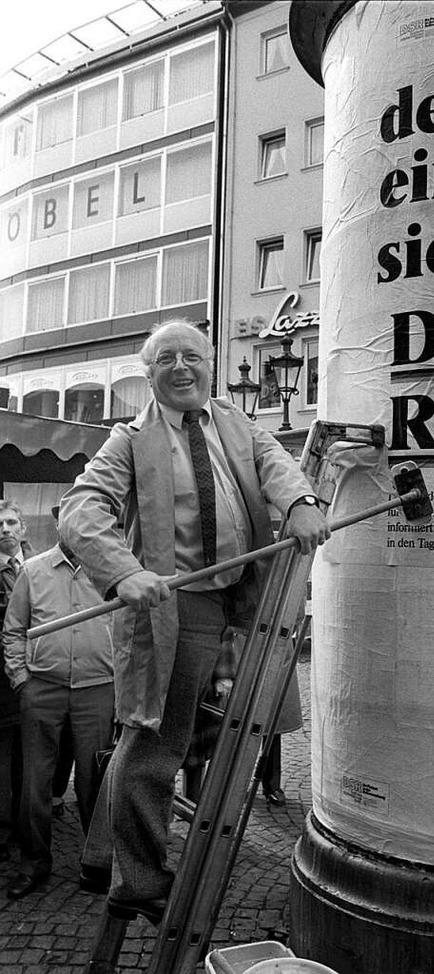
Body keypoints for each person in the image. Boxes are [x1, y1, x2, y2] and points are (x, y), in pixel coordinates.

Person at [58, 319, 330, 925]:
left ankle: (101, 856)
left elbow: (276, 464)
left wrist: (303, 501)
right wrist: (121, 571)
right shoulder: (128, 440)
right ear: (148, 375)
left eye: (192, 356)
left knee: (178, 735)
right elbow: (79, 508)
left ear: (210, 363)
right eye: (166, 360)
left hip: (243, 596)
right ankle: (140, 880)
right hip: (180, 605)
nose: (182, 368)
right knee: (156, 741)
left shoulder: (236, 422)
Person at [3, 511, 115, 898]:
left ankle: (99, 863)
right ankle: (33, 863)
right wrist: (21, 680)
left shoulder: (111, 569)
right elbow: (13, 629)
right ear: (58, 527)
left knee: (95, 780)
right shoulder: (32, 571)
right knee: (35, 781)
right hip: (42, 689)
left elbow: (134, 625)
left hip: (98, 690)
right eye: (69, 521)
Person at [0, 501, 33, 862]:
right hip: (2, 682)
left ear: (23, 529)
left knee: (32, 756)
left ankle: (28, 824)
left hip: (37, 676)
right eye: (0, 524)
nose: (6, 529)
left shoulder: (37, 567)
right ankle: (4, 828)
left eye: (12, 522)